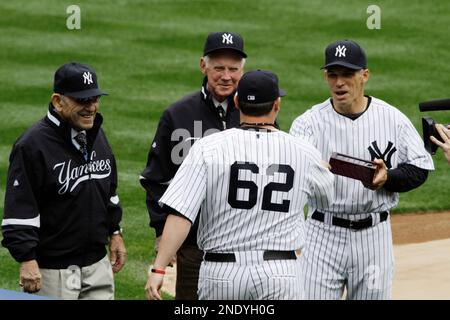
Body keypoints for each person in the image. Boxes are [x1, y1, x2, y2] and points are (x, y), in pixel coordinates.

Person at [145, 69, 335, 300]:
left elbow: (181, 214)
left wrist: (159, 268)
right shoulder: (304, 153)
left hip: (221, 273)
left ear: (236, 101)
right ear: (277, 104)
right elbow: (326, 199)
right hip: (280, 273)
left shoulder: (207, 148)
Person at [290, 39, 435, 300]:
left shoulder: (392, 118)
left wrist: (388, 177)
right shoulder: (308, 123)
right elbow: (293, 175)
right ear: (326, 77)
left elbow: (420, 168)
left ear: (364, 75)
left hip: (373, 237)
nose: (339, 83)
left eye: (347, 74)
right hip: (322, 234)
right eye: (332, 75)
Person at [1, 62, 126, 300]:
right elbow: (20, 209)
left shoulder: (97, 135)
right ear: (58, 101)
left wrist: (115, 232)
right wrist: (27, 259)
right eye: (82, 101)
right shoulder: (32, 145)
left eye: (95, 99)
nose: (91, 107)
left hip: (97, 265)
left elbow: (109, 190)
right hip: (53, 271)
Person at [140, 31, 246, 299]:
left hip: (244, 243)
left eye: (233, 69)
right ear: (203, 66)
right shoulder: (178, 114)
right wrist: (162, 232)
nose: (226, 76)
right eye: (218, 68)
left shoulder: (254, 114)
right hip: (192, 243)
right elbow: (157, 178)